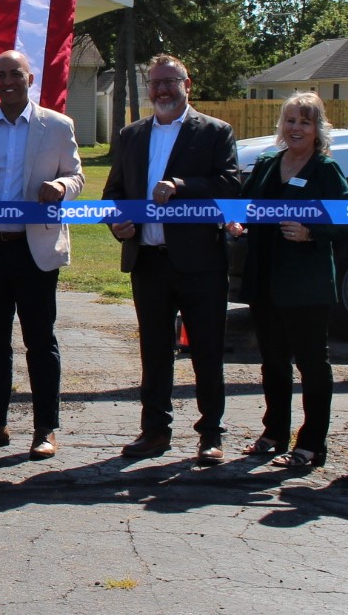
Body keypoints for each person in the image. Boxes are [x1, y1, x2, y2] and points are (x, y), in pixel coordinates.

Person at [103, 54, 240, 464]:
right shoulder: (131, 135)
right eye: (156, 84)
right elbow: (114, 193)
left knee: (207, 350)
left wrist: (181, 185)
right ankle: (154, 431)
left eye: (170, 82)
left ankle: (210, 434)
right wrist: (118, 224)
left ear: (187, 84)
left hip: (200, 262)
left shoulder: (215, 132)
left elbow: (230, 185)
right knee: (155, 350)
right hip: (148, 260)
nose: (162, 90)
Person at [0, 50, 84, 460]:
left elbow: (77, 175)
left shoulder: (57, 126)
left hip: (35, 251)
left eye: (15, 74)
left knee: (40, 341)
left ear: (30, 79)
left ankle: (45, 428)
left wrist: (61, 187)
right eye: (0, 75)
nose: (7, 81)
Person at [229, 92, 348, 469]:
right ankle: (274, 433)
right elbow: (243, 208)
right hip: (265, 279)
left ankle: (312, 443)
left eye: (305, 121)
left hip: (306, 285)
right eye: (291, 120)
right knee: (273, 361)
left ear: (318, 129)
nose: (296, 128)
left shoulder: (325, 169)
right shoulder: (267, 163)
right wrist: (236, 223)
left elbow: (346, 217)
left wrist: (312, 232)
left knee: (312, 363)